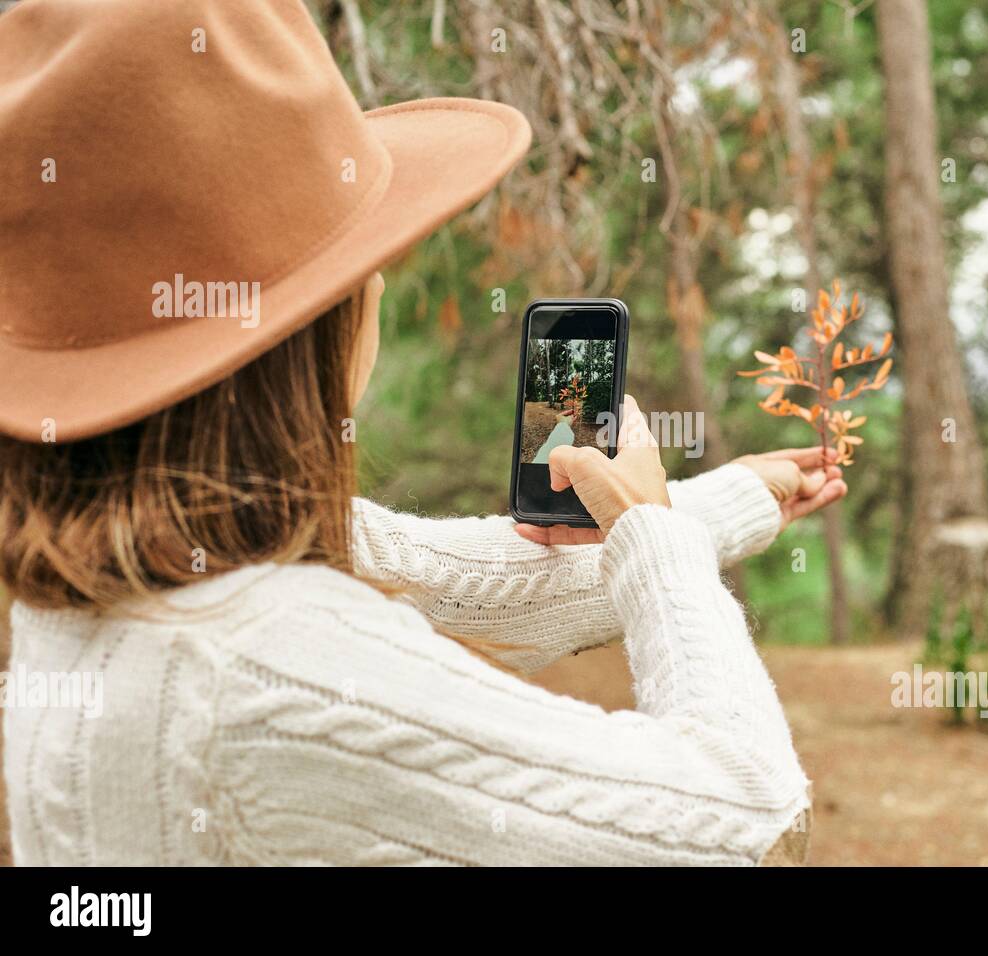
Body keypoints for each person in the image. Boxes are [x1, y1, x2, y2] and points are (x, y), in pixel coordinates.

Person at [0, 0, 846, 865]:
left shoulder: (96, 572)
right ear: (309, 331)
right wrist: (651, 536)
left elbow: (470, 585)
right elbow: (745, 818)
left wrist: (732, 501)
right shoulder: (266, 668)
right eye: (367, 264)